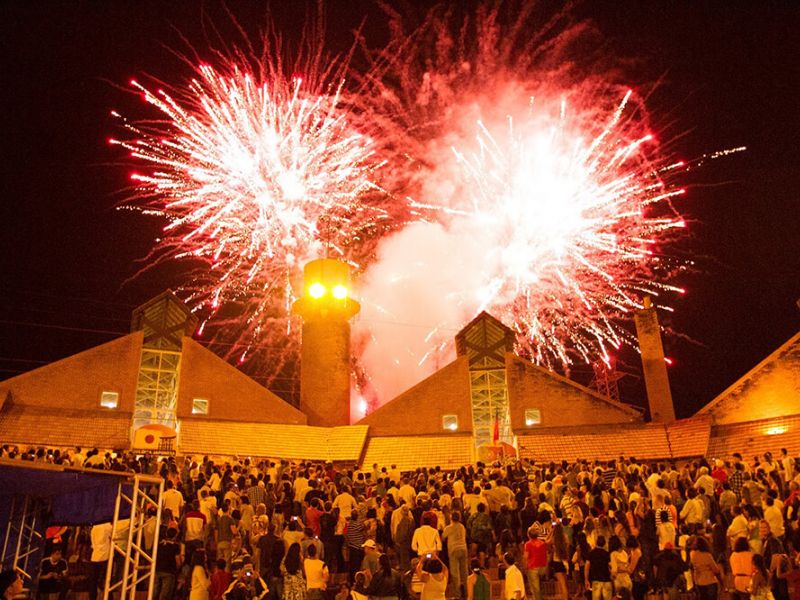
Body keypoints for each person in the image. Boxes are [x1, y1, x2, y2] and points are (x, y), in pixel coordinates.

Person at [442, 511, 468, 599]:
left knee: (455, 573)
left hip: (453, 550)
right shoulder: (462, 527)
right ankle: (467, 592)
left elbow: (443, 537)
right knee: (464, 572)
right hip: (463, 549)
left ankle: (457, 595)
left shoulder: (449, 528)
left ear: (451, 518)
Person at [153, 527, 182, 600]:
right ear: (175, 536)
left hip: (157, 569)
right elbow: (178, 561)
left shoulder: (159, 544)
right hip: (169, 571)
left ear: (166, 534)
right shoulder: (175, 546)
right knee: (165, 594)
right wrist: (178, 569)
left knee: (155, 592)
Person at [523, 527, 548, 600]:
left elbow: (526, 557)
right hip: (543, 566)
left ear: (528, 535)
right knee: (541, 586)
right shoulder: (542, 543)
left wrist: (525, 567)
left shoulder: (528, 544)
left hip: (533, 567)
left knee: (535, 588)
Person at [585, 535, 613, 600]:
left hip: (596, 580)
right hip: (606, 580)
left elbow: (587, 567)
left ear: (596, 542)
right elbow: (611, 566)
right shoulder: (607, 554)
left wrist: (586, 579)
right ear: (604, 543)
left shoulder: (591, 553)